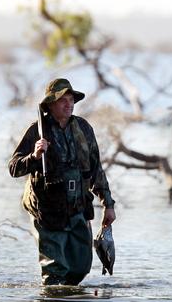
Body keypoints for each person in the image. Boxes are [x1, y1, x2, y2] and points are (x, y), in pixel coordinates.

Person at [8, 78, 116, 286]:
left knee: (80, 268)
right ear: (50, 104)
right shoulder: (37, 131)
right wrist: (34, 156)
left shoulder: (83, 128)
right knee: (55, 270)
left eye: (71, 99)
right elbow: (14, 168)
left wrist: (108, 204)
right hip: (47, 209)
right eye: (62, 100)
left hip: (78, 208)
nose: (68, 104)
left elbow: (96, 170)